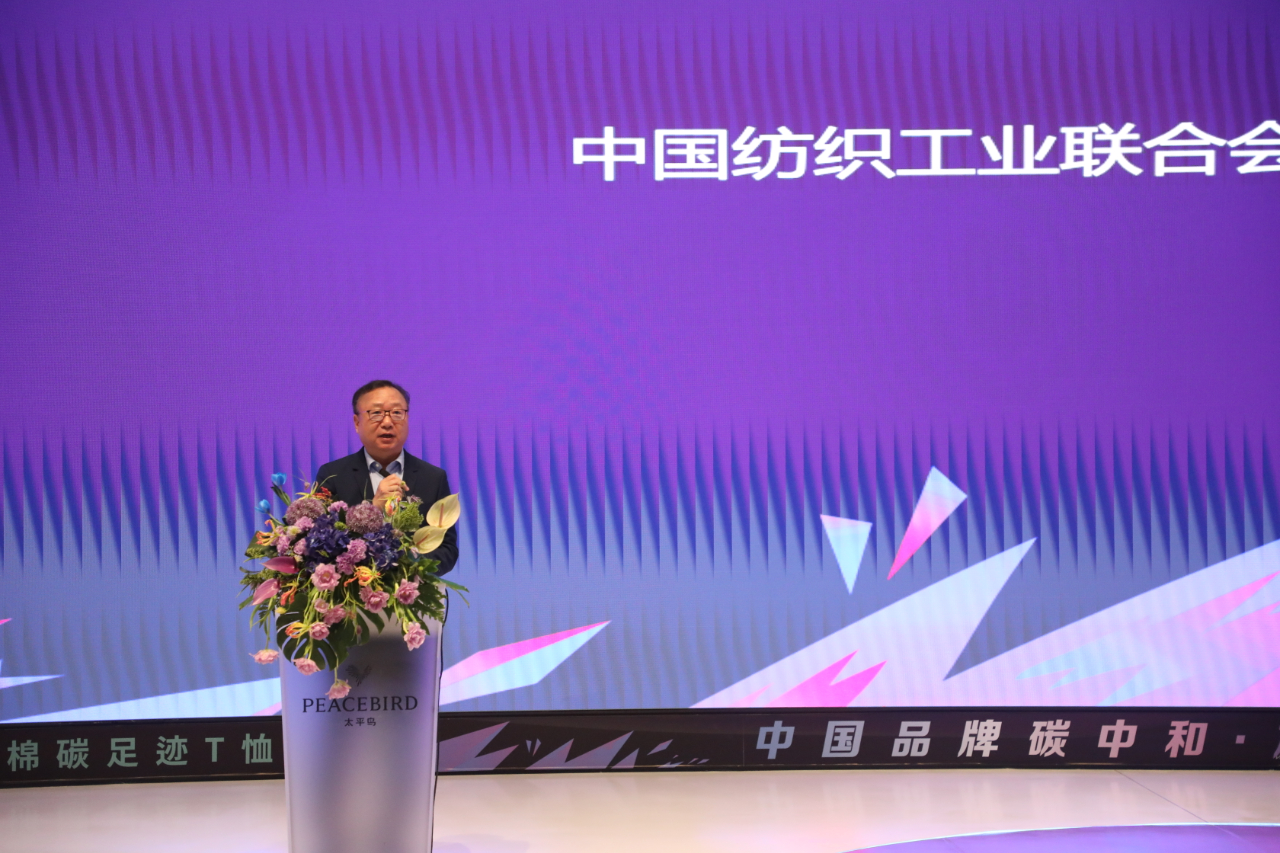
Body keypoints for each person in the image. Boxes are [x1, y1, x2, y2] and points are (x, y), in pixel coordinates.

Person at [314, 379, 459, 576]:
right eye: (376, 413)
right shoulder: (332, 475)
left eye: (397, 413)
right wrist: (373, 510)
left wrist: (404, 567)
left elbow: (447, 551)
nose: (388, 423)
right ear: (357, 422)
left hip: (413, 590)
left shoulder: (433, 477)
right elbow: (319, 544)